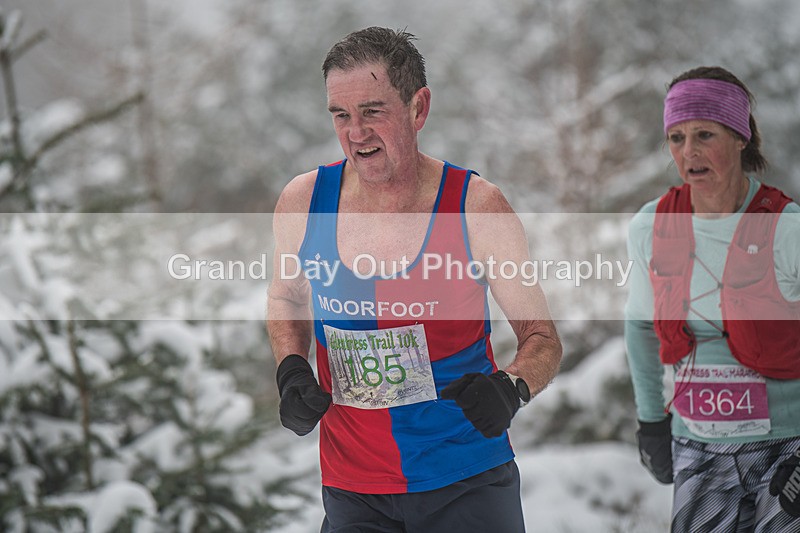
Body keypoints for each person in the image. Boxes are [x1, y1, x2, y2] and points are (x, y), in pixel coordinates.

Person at [267, 27, 561, 532]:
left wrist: (511, 388)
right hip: (353, 488)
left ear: (418, 107)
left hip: (465, 479)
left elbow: (543, 339)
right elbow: (286, 296)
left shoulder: (475, 206)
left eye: (373, 111)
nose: (356, 132)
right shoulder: (304, 201)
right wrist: (292, 369)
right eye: (341, 115)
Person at [625, 65, 800, 531]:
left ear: (741, 137)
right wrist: (650, 422)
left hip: (786, 447)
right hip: (696, 446)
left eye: (705, 135)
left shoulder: (787, 228)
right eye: (676, 138)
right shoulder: (651, 225)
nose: (689, 152)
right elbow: (641, 326)